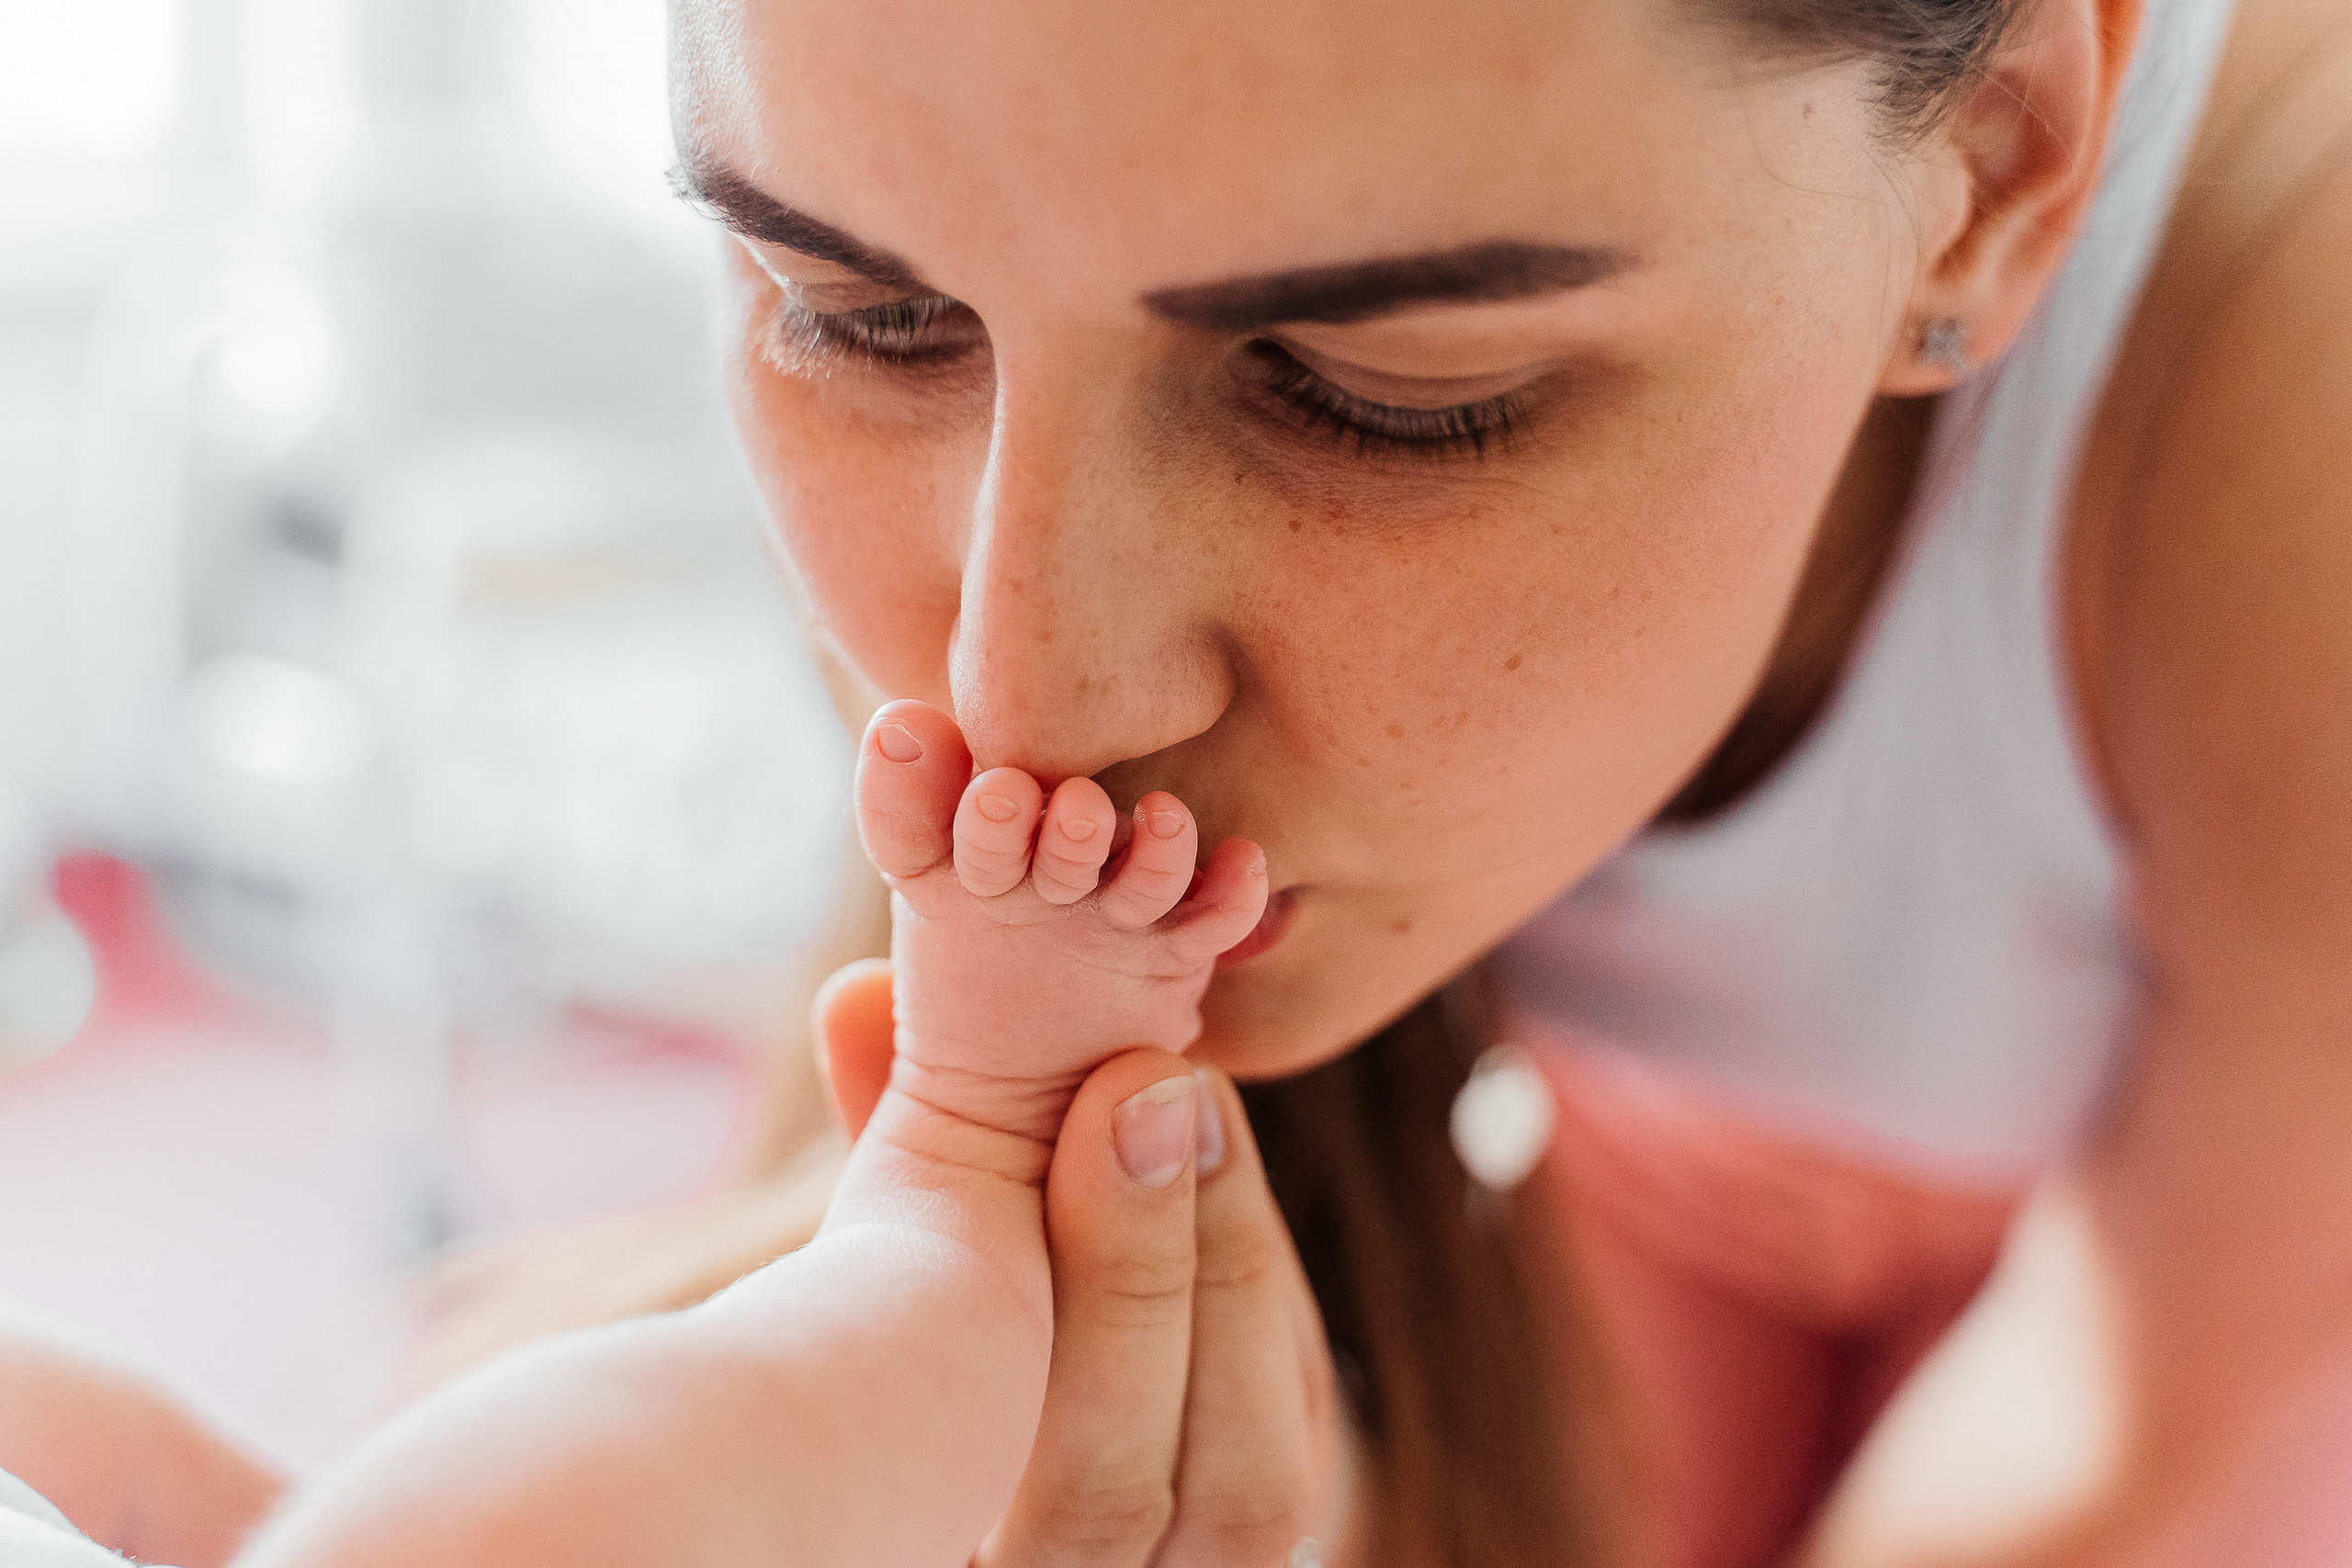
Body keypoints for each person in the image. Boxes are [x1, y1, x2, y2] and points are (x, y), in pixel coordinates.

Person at [8, 0, 2352, 1560]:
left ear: (1994, 171)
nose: (1025, 686)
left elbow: (2152, 1412)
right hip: (1646, 1156)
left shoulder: (2299, 408)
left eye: (1381, 393)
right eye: (860, 312)